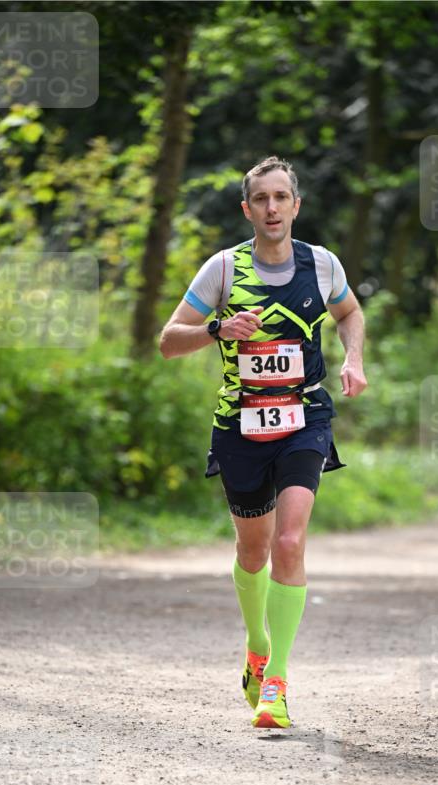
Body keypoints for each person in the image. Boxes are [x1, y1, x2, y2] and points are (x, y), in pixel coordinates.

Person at [159, 156, 367, 729]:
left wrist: (353, 358)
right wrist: (215, 329)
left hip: (306, 417)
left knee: (291, 541)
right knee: (253, 550)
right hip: (242, 426)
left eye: (282, 198)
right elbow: (168, 341)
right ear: (246, 208)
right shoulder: (223, 270)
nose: (272, 208)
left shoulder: (321, 265)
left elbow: (349, 312)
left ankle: (276, 680)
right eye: (262, 199)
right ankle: (255, 646)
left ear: (296, 205)